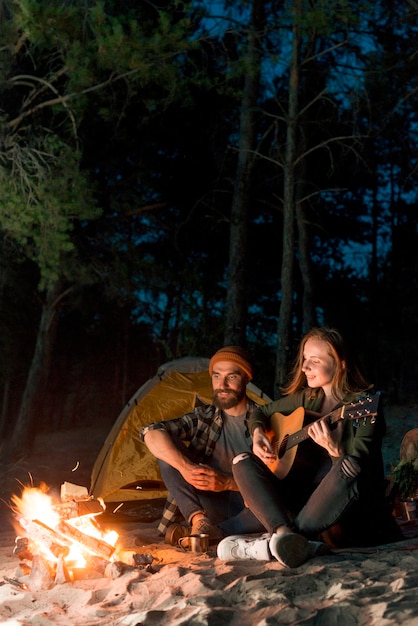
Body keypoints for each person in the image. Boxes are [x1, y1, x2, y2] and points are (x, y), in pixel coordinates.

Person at [217, 327, 404, 567]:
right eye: (305, 359)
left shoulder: (364, 408)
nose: (305, 367)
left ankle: (282, 540)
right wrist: (257, 433)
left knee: (349, 464)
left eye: (314, 361)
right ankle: (284, 535)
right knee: (241, 460)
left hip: (345, 511)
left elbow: (358, 478)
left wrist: (335, 451)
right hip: (302, 501)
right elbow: (261, 412)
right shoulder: (309, 398)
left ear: (341, 364)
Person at [139, 346, 266, 545]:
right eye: (216, 376)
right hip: (207, 506)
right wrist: (187, 469)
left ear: (247, 379)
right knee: (166, 449)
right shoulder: (205, 417)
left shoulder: (265, 421)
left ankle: (210, 533)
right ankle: (199, 524)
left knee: (270, 509)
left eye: (231, 377)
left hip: (248, 508)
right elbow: (150, 431)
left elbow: (277, 482)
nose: (222, 384)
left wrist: (227, 483)